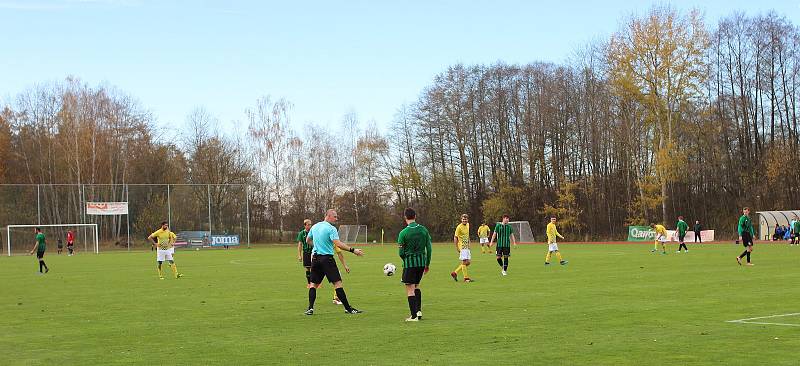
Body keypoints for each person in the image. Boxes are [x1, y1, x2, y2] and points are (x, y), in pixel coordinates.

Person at [304, 209, 364, 315]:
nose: (337, 219)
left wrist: (317, 246)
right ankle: (348, 309)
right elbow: (338, 244)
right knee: (338, 283)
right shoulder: (331, 228)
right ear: (328, 216)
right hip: (327, 259)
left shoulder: (315, 226)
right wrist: (353, 250)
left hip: (315, 259)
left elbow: (308, 240)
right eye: (335, 217)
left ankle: (310, 308)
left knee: (313, 284)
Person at [397, 207, 432, 322]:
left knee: (410, 289)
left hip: (410, 264)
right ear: (415, 216)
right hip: (421, 263)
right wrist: (427, 264)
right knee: (417, 285)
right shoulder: (423, 230)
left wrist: (405, 260)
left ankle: (413, 316)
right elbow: (429, 248)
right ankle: (419, 311)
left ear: (405, 217)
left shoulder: (403, 233)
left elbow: (401, 253)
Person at [450, 214, 472, 282]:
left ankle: (455, 272)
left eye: (465, 219)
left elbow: (467, 235)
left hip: (466, 246)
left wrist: (469, 242)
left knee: (468, 262)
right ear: (461, 220)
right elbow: (455, 237)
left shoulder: (468, 225)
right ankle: (466, 278)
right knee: (464, 261)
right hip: (462, 246)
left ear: (467, 220)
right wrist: (457, 247)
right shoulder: (459, 227)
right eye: (463, 219)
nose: (464, 220)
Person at [297, 219, 313, 287]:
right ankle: (309, 283)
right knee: (307, 268)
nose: (310, 226)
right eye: (308, 225)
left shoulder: (313, 232)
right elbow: (300, 245)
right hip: (306, 253)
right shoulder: (301, 233)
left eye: (310, 224)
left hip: (313, 252)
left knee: (314, 268)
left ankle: (315, 282)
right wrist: (299, 255)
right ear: (305, 225)